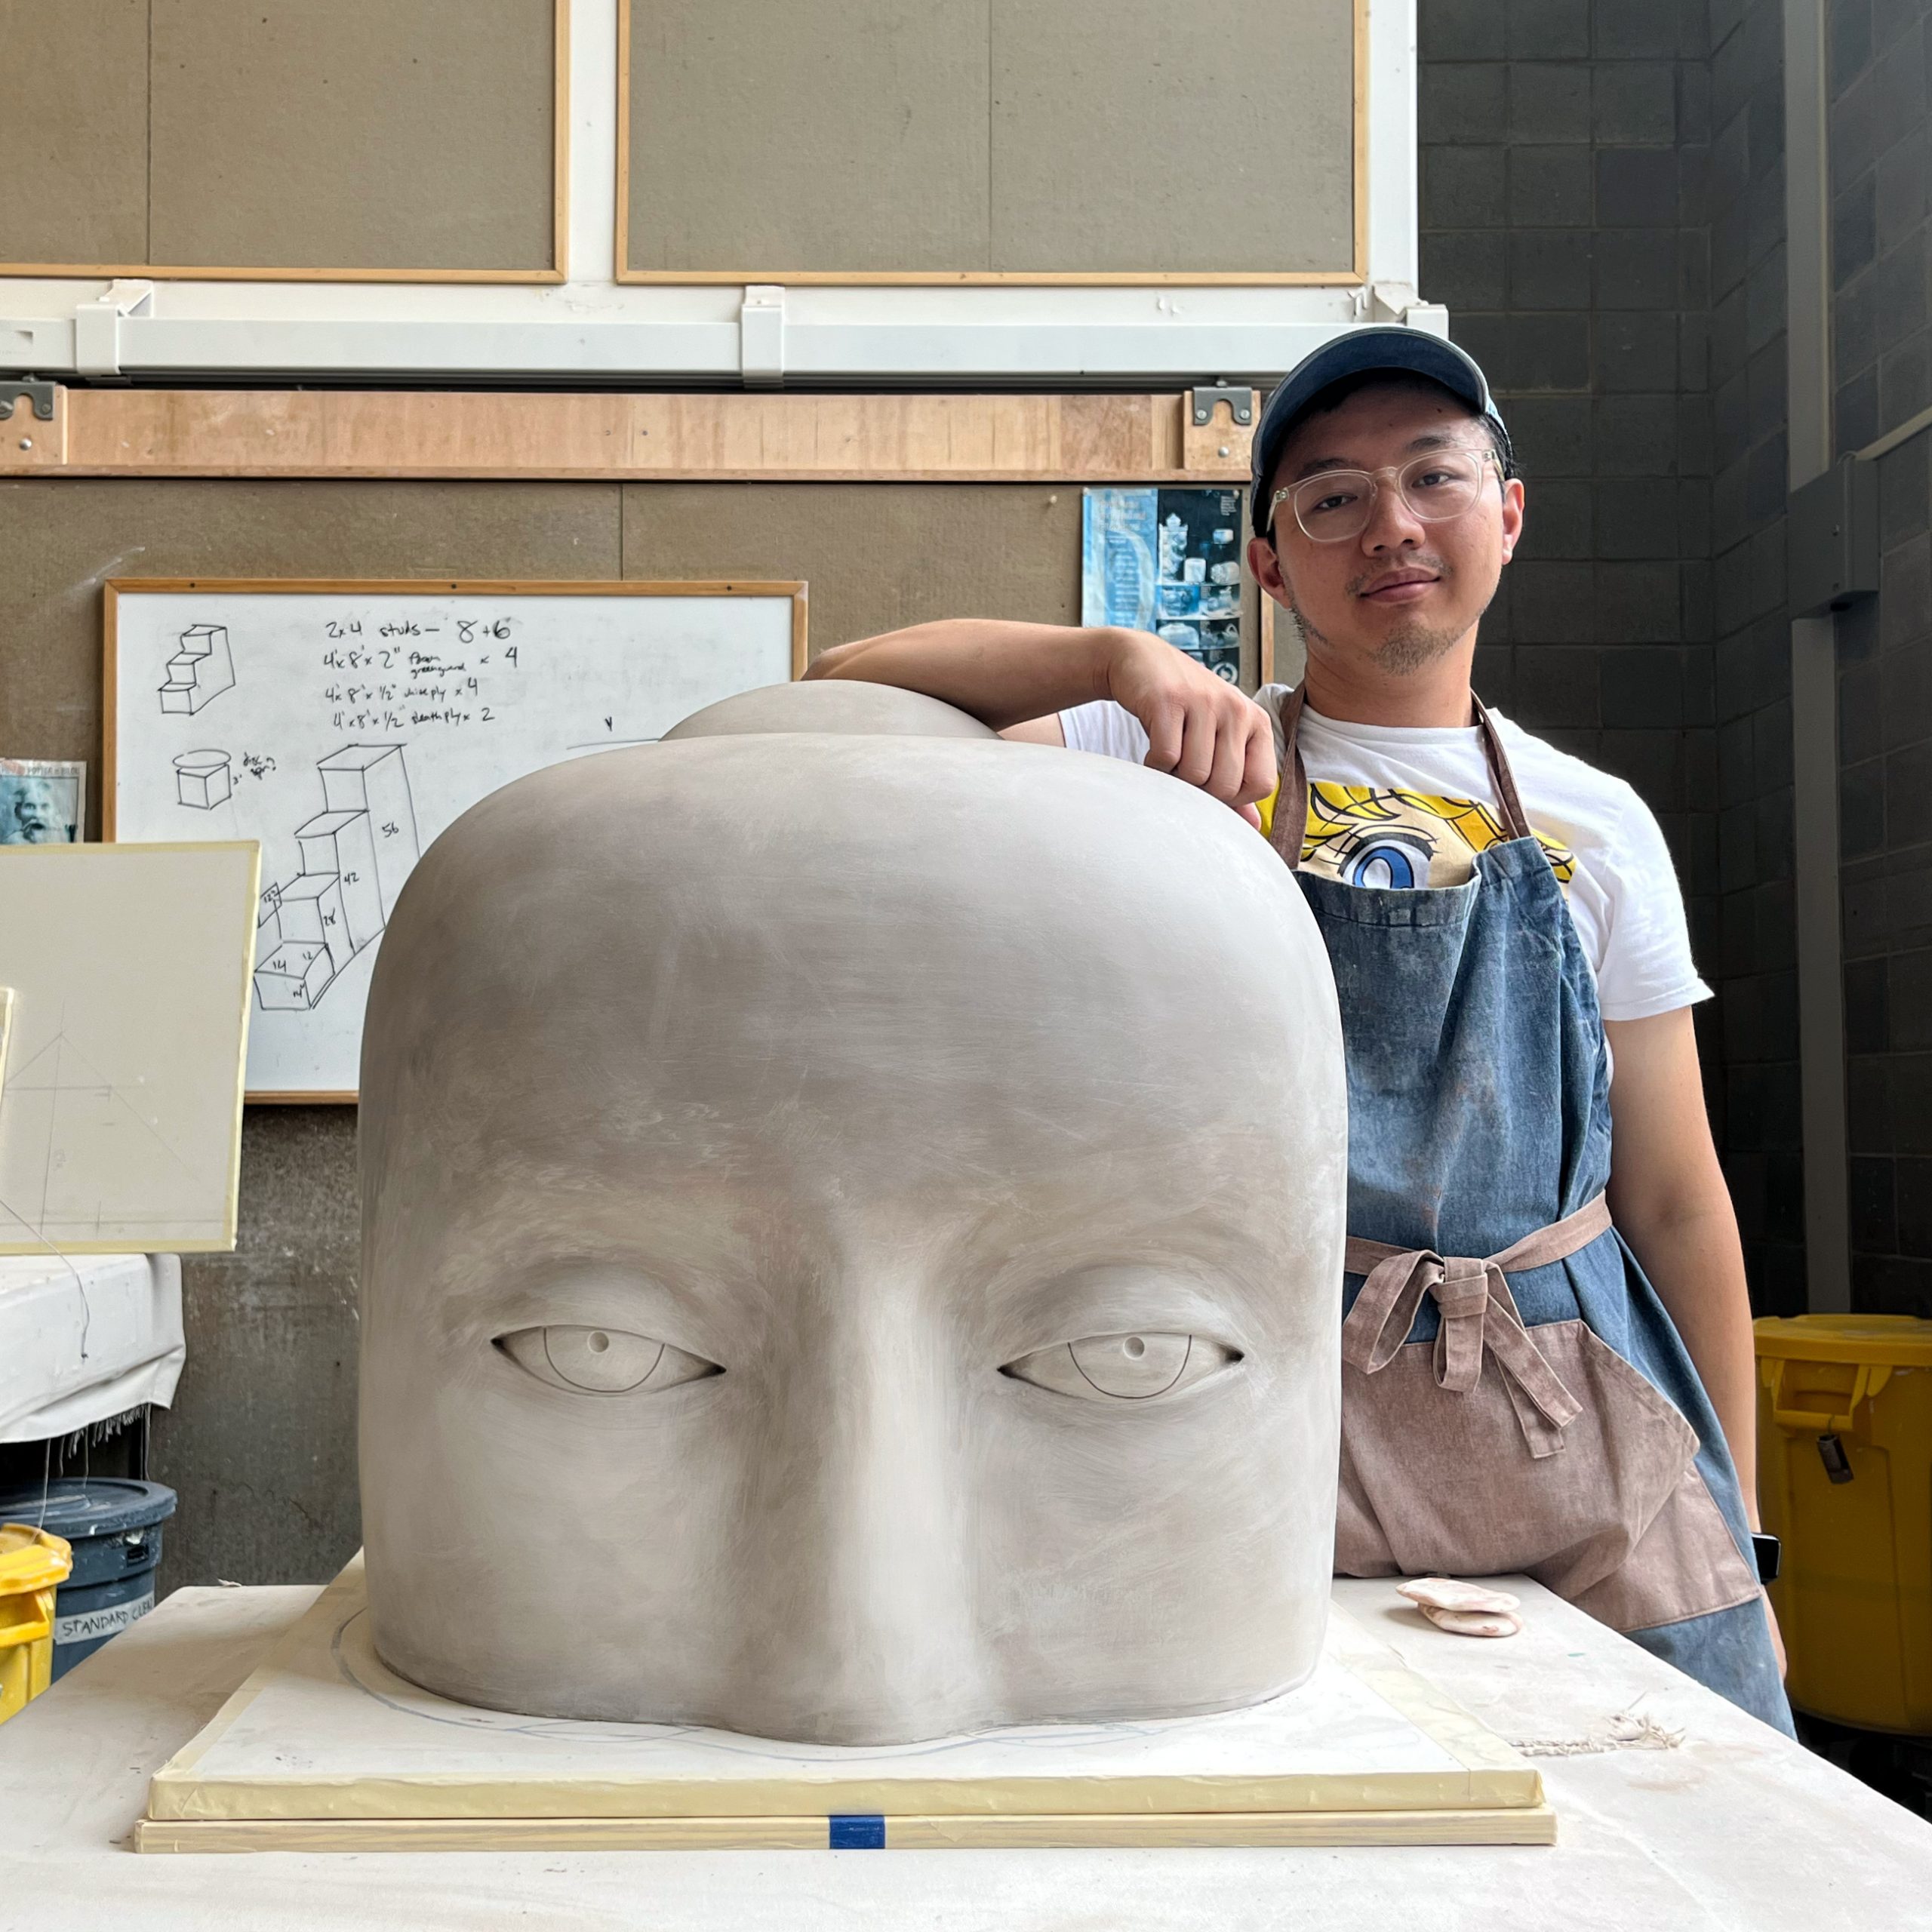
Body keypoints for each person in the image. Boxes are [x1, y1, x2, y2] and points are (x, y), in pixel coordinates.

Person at [805, 325, 1793, 1732]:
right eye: (1330, 497)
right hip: (1261, 1393)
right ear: (1271, 564)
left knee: (1690, 1800)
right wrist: (1112, 658)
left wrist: (1741, 1517)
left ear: (1507, 514)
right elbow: (840, 705)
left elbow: (1681, 1202)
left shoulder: (1600, 826)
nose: (1389, 524)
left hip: (1575, 1423)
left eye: (1432, 477)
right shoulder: (1168, 763)